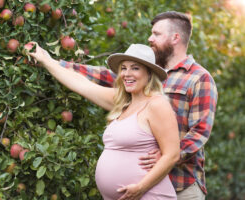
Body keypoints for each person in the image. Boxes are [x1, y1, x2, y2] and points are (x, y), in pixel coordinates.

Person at [57, 11, 218, 199]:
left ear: (175, 37)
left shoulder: (199, 78)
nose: (150, 38)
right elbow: (106, 76)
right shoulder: (144, 72)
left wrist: (169, 155)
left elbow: (200, 132)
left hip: (181, 184)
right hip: (140, 186)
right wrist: (58, 65)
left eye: (156, 34)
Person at [28, 43, 180, 199]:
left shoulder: (157, 104)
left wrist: (141, 187)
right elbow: (81, 84)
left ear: (149, 74)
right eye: (124, 68)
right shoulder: (122, 102)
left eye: (135, 68)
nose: (127, 74)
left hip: (148, 195)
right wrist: (46, 60)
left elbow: (172, 155)